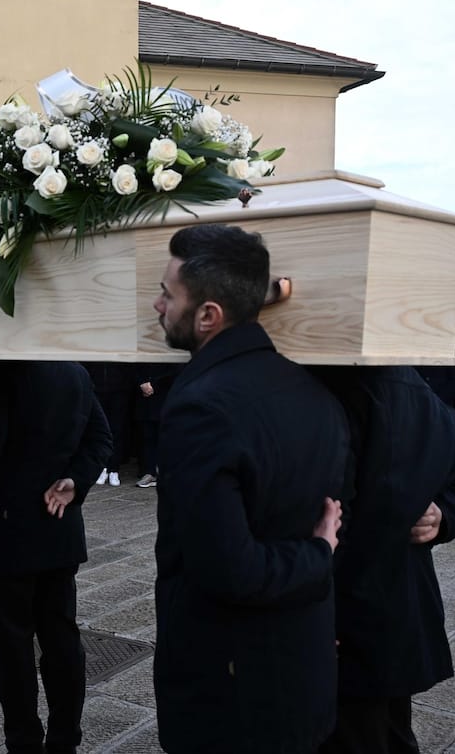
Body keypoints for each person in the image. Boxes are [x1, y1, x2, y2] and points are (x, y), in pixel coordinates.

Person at [151, 224, 348, 753]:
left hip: (232, 693)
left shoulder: (200, 408)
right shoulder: (314, 393)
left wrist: (318, 552)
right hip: (300, 673)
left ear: (209, 315)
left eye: (168, 294)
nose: (156, 305)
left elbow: (229, 570)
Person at [0, 360, 112, 753]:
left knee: (12, 648)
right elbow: (101, 438)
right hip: (58, 526)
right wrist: (76, 479)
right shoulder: (74, 370)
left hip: (8, 533)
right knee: (62, 641)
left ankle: (23, 742)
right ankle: (65, 740)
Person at [313, 366, 455, 753]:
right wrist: (447, 511)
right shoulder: (422, 393)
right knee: (387, 729)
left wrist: (442, 514)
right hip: (399, 608)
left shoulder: (333, 392)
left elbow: (333, 515)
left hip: (347, 604)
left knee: (351, 731)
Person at [81, 362, 134, 486]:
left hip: (119, 390)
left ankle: (114, 469)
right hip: (97, 388)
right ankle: (101, 467)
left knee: (117, 430)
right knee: (99, 430)